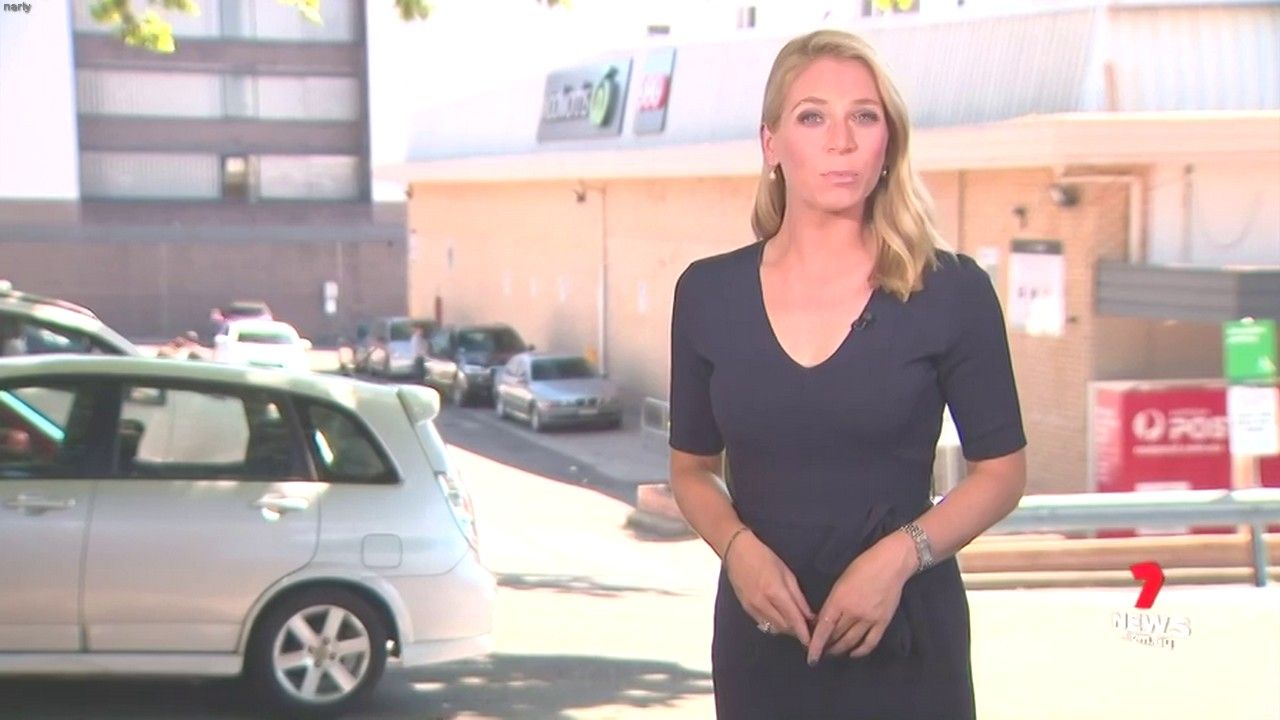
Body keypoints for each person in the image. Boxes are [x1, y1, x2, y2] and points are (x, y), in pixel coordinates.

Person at [667, 30, 1027, 719]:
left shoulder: (951, 291)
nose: (841, 140)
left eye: (863, 116)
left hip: (908, 646)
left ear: (888, 143)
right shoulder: (707, 294)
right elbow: (690, 470)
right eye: (813, 117)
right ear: (771, 144)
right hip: (762, 644)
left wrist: (898, 559)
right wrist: (737, 549)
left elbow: (1002, 473)